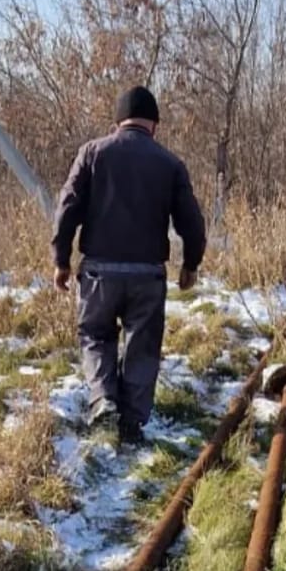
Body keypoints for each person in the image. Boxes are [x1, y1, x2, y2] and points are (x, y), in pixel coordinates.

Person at [52, 86, 206, 445]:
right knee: (143, 345)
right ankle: (132, 422)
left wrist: (61, 259)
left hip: (99, 271)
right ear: (155, 125)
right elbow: (192, 222)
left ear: (117, 122)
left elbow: (67, 208)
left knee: (95, 335)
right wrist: (191, 264)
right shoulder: (169, 163)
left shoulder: (92, 153)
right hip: (147, 274)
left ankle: (104, 399)